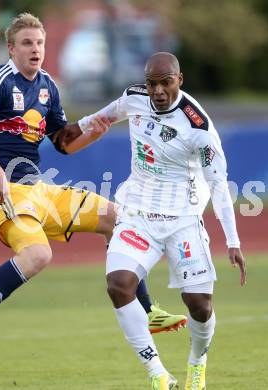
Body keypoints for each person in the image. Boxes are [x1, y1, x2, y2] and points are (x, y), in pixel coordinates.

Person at [0, 14, 186, 375]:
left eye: (39, 43)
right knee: (39, 255)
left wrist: (93, 132)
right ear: (11, 48)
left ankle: (148, 311)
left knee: (117, 218)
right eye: (26, 43)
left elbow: (62, 143)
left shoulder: (47, 86)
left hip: (36, 189)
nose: (35, 49)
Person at [75, 52, 247, 390]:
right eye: (152, 83)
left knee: (198, 304)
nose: (157, 91)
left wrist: (233, 241)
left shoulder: (199, 128)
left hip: (183, 218)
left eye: (165, 82)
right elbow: (102, 118)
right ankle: (158, 375)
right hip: (138, 214)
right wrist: (70, 132)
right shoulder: (134, 98)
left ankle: (197, 364)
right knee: (118, 284)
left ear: (179, 80)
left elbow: (218, 185)